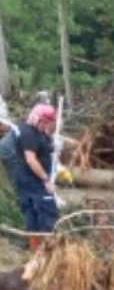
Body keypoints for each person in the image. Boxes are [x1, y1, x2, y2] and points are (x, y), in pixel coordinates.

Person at [0, 104, 60, 251]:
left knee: (31, 212)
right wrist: (46, 180)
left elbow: (47, 150)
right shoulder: (28, 133)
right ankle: (46, 250)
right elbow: (31, 159)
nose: (50, 126)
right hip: (31, 180)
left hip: (29, 179)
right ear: (41, 120)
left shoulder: (38, 132)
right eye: (48, 123)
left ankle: (36, 250)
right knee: (46, 212)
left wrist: (55, 150)